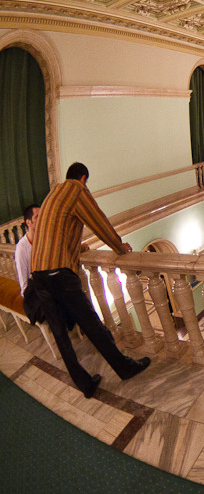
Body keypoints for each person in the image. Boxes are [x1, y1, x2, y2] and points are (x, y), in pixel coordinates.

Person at [26, 162, 150, 399]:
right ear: (83, 178)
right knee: (92, 323)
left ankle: (85, 384)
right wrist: (119, 246)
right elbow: (98, 222)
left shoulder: (53, 193)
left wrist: (79, 247)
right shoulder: (76, 190)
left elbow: (58, 232)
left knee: (60, 333)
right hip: (58, 273)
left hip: (39, 273)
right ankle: (124, 367)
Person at [14, 203, 40, 293]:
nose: (42, 219)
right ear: (28, 222)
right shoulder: (21, 248)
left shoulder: (45, 239)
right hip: (38, 292)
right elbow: (24, 286)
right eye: (37, 217)